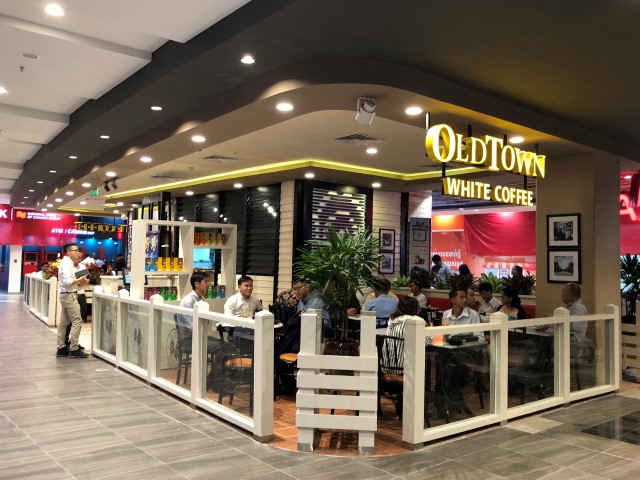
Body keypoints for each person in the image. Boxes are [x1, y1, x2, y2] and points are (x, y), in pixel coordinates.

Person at [56, 243, 89, 358]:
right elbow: (67, 282)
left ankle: (61, 347)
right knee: (77, 321)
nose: (77, 252)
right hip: (69, 295)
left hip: (67, 295)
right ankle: (74, 349)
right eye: (75, 250)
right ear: (68, 252)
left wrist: (80, 280)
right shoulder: (66, 264)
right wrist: (79, 279)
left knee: (64, 322)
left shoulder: (68, 263)